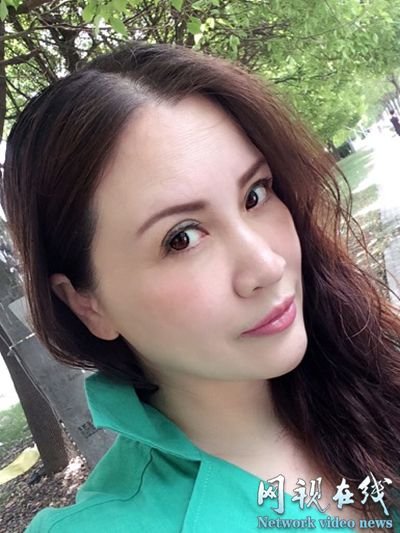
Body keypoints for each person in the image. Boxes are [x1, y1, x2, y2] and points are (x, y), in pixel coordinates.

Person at [1, 40, 400, 533]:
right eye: (182, 238)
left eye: (255, 194)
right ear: (87, 304)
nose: (267, 265)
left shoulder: (372, 363)